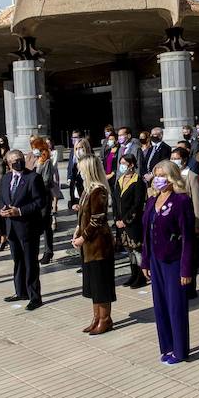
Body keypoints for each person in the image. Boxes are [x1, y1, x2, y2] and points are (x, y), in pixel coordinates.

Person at [142, 160, 196, 365]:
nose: (158, 179)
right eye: (156, 174)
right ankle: (167, 346)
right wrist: (145, 262)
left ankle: (180, 350)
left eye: (162, 175)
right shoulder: (151, 201)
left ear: (172, 177)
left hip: (174, 261)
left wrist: (186, 269)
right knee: (160, 305)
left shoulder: (181, 201)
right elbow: (147, 233)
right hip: (156, 258)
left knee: (176, 306)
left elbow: (188, 237)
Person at [72, 155, 117, 335]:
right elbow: (84, 215)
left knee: (101, 283)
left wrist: (83, 237)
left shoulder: (99, 190)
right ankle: (97, 316)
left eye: (82, 169)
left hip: (99, 246)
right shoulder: (87, 190)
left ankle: (105, 318)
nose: (80, 172)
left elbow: (98, 219)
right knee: (93, 284)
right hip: (89, 247)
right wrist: (77, 229)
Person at [0, 149, 47, 309]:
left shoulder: (33, 178)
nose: (17, 162)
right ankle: (20, 291)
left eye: (20, 159)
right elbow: (3, 198)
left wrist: (19, 211)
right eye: (13, 160)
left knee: (30, 262)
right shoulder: (6, 178)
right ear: (8, 163)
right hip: (11, 227)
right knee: (17, 260)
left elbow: (40, 202)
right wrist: (3, 209)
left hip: (28, 227)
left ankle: (35, 296)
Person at [172, 145, 199, 300]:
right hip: (174, 223)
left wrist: (198, 224)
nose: (174, 161)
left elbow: (198, 202)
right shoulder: (171, 176)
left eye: (177, 159)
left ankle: (190, 287)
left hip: (189, 221)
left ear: (184, 160)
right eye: (172, 159)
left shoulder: (191, 176)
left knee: (190, 255)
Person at [111, 151, 147, 289]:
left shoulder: (138, 181)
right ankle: (133, 274)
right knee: (128, 250)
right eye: (120, 164)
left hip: (133, 222)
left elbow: (137, 204)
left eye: (124, 164)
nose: (122, 166)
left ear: (131, 165)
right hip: (120, 222)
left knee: (137, 249)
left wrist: (126, 220)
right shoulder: (120, 180)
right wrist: (117, 219)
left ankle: (141, 276)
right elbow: (115, 201)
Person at [34, 141, 59, 264]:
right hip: (35, 197)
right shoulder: (36, 161)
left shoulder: (47, 162)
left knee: (45, 224)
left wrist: (34, 186)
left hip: (44, 196)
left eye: (36, 148)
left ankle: (48, 251)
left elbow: (47, 180)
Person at [66, 130, 86, 208]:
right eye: (72, 137)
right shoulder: (72, 151)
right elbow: (70, 166)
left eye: (75, 137)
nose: (73, 139)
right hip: (74, 182)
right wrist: (69, 177)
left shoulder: (87, 152)